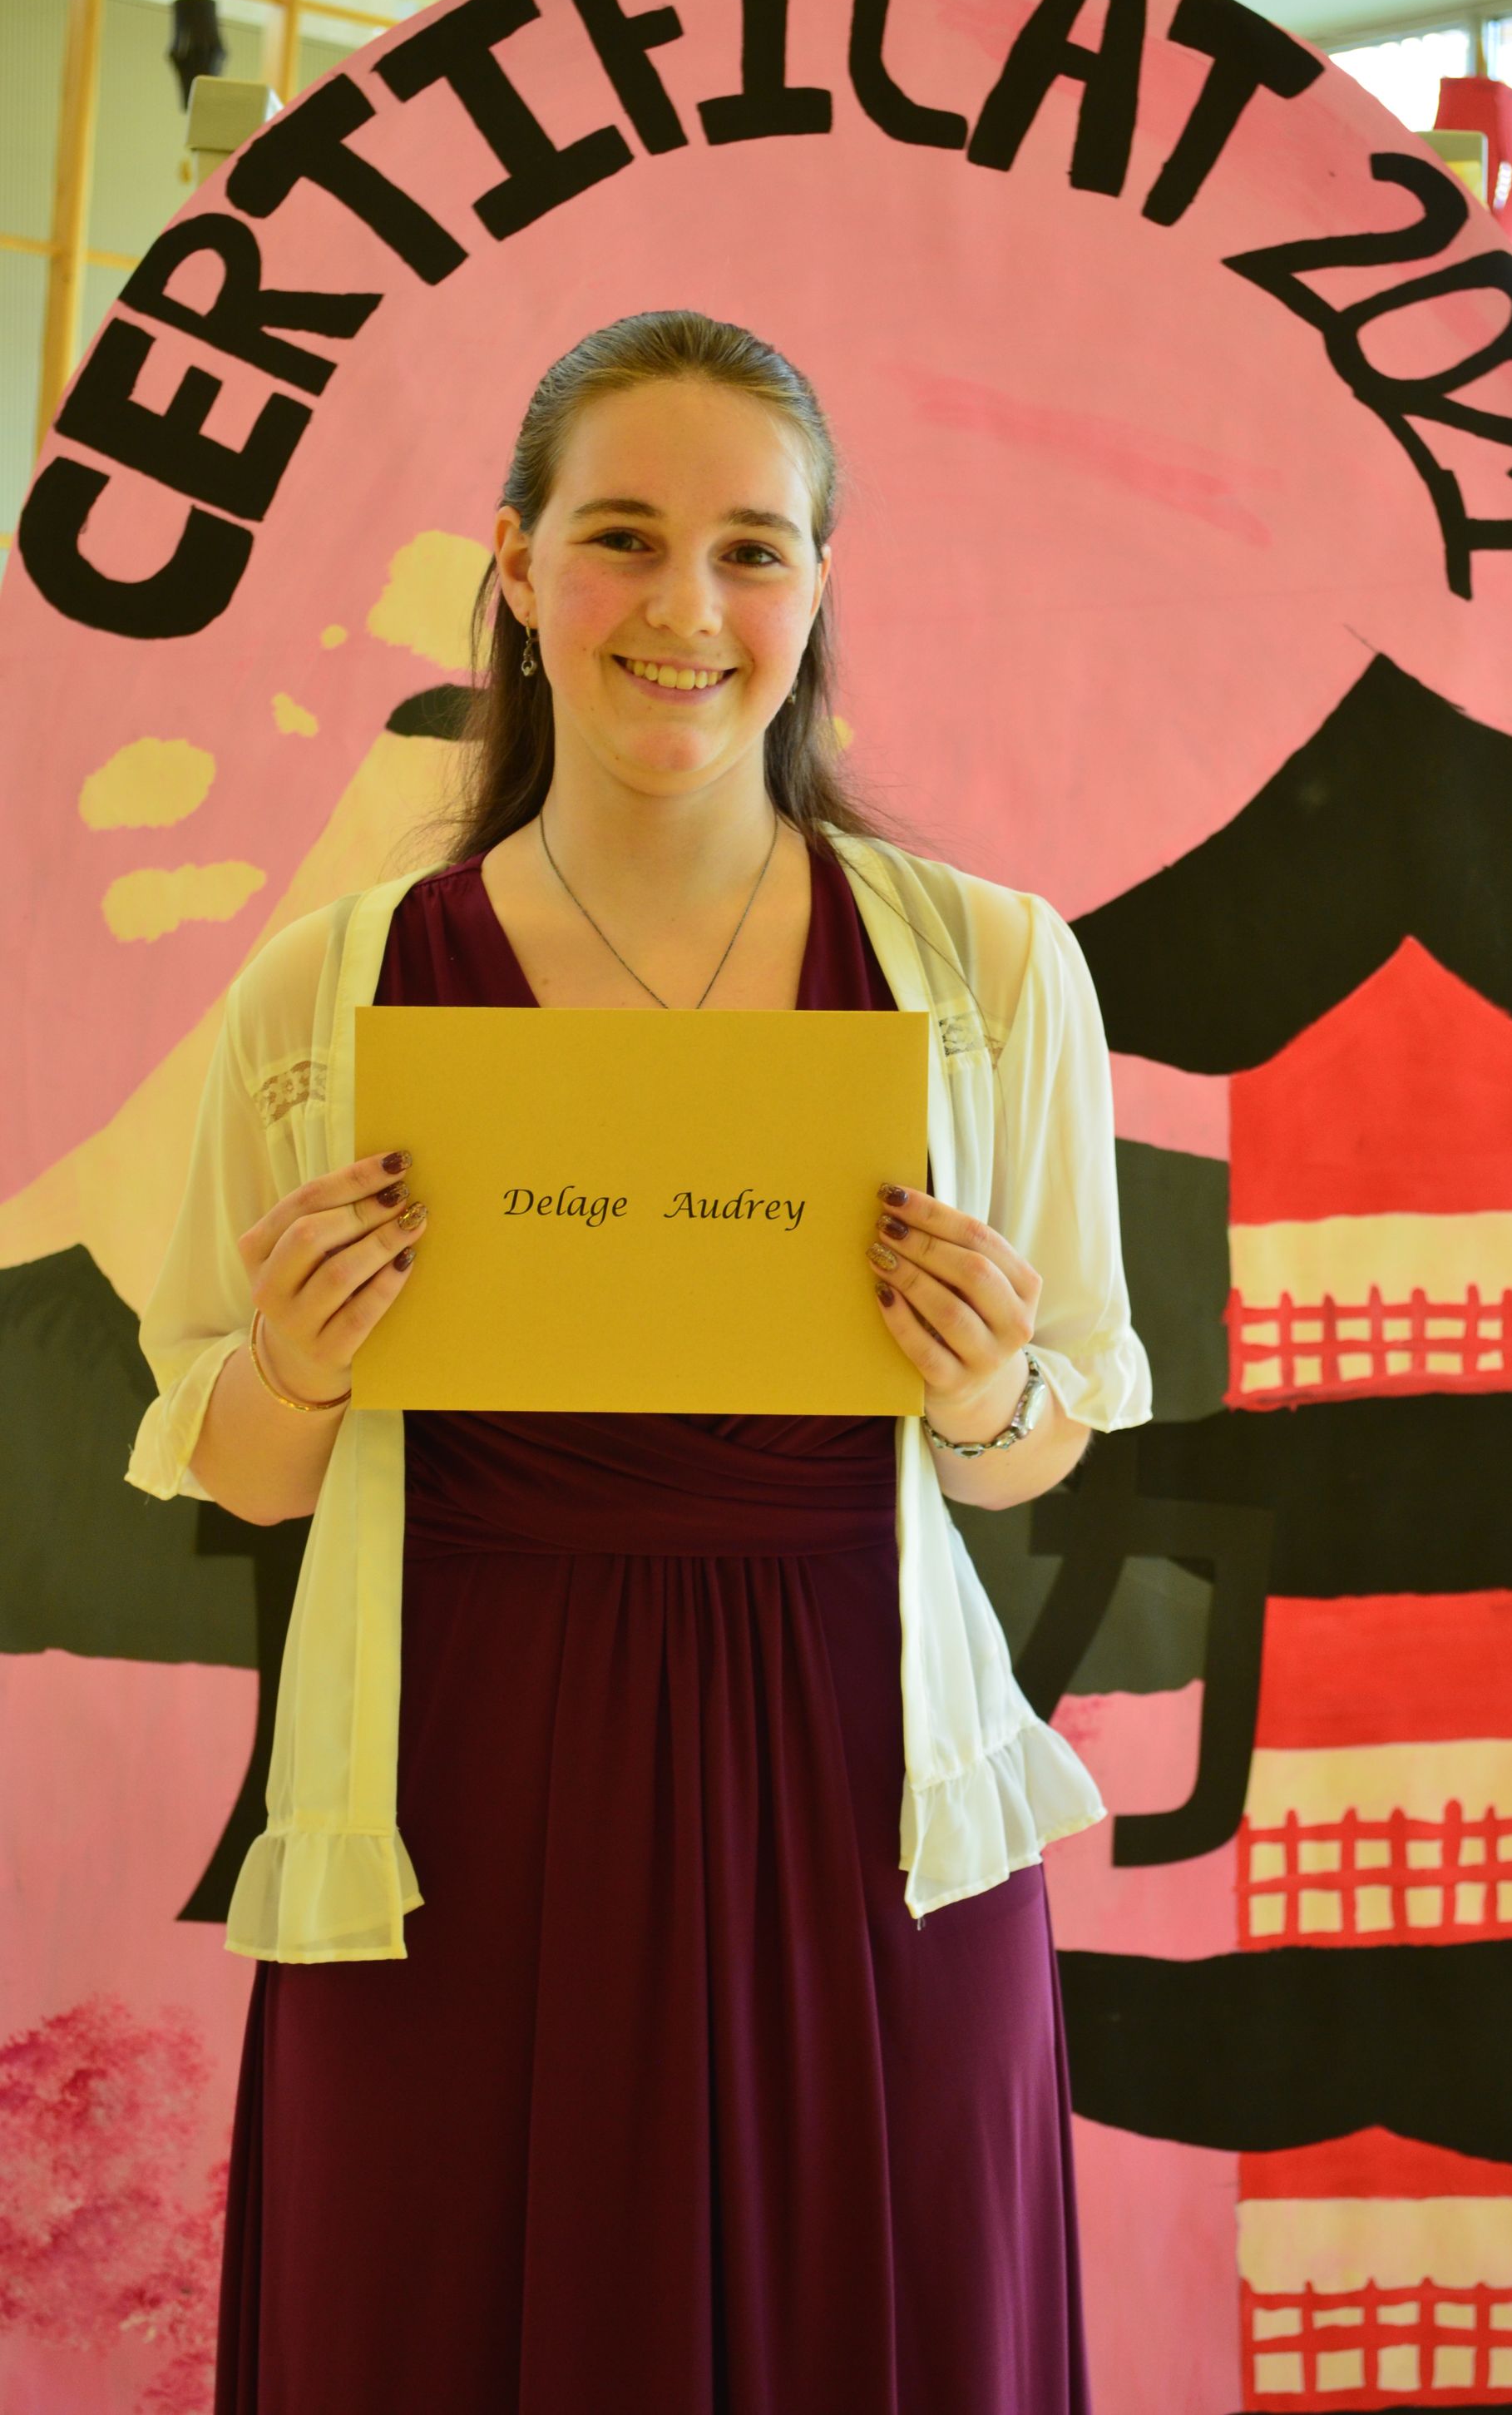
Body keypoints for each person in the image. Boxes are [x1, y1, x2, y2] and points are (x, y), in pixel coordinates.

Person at [126, 309, 1152, 2414]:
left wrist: (980, 1389)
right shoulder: (326, 992)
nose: (686, 608)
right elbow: (232, 1462)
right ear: (514, 565)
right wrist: (299, 1369)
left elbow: (1039, 1442)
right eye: (620, 537)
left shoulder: (991, 968)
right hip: (452, 1805)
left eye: (751, 550)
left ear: (819, 584)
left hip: (871, 1810)